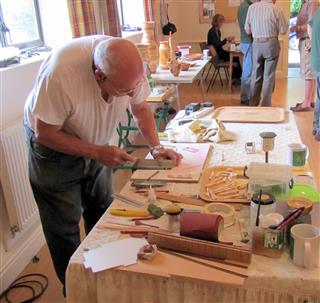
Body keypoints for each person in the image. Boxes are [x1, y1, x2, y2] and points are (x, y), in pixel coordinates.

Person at [24, 36, 182, 292]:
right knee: (64, 226)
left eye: (134, 87)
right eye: (124, 91)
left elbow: (141, 109)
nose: (132, 94)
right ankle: (76, 291)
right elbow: (46, 133)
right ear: (99, 76)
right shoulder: (60, 75)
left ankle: (107, 281)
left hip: (95, 141)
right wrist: (97, 151)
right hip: (53, 147)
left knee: (102, 210)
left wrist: (156, 147)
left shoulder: (129, 67)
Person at [245, 0, 287, 106]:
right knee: (268, 76)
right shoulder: (276, 9)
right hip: (271, 44)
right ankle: (266, 105)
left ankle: (253, 103)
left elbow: (247, 30)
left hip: (256, 44)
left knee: (256, 74)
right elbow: (283, 30)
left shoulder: (251, 8)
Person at [290, 0, 319, 112]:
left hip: (307, 40)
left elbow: (312, 24)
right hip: (304, 39)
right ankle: (309, 101)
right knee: (309, 71)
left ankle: (306, 104)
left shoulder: (312, 3)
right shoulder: (305, 3)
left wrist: (296, 28)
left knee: (307, 71)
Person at [207, 14, 242, 81]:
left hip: (219, 52)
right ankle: (236, 78)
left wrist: (227, 40)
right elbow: (217, 44)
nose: (222, 24)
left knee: (234, 57)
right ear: (217, 22)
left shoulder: (217, 31)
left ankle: (235, 78)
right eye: (221, 22)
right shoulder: (212, 32)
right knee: (234, 58)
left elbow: (219, 44)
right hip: (217, 55)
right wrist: (226, 39)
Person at [307, 8, 320, 140]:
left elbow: (309, 27)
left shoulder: (318, 13)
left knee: (319, 96)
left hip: (317, 59)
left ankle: (316, 127)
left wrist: (312, 42)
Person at [237, 0, 253, 105]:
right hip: (248, 42)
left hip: (246, 42)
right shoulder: (246, 7)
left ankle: (247, 96)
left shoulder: (244, 6)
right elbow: (247, 27)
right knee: (248, 71)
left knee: (248, 70)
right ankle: (245, 97)